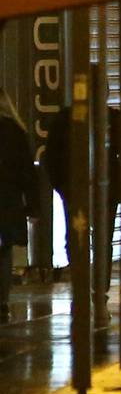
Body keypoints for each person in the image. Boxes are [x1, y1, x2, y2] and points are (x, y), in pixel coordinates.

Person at [0, 93, 32, 306]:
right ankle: (2, 300)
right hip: (8, 201)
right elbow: (27, 172)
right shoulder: (16, 131)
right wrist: (34, 206)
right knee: (4, 251)